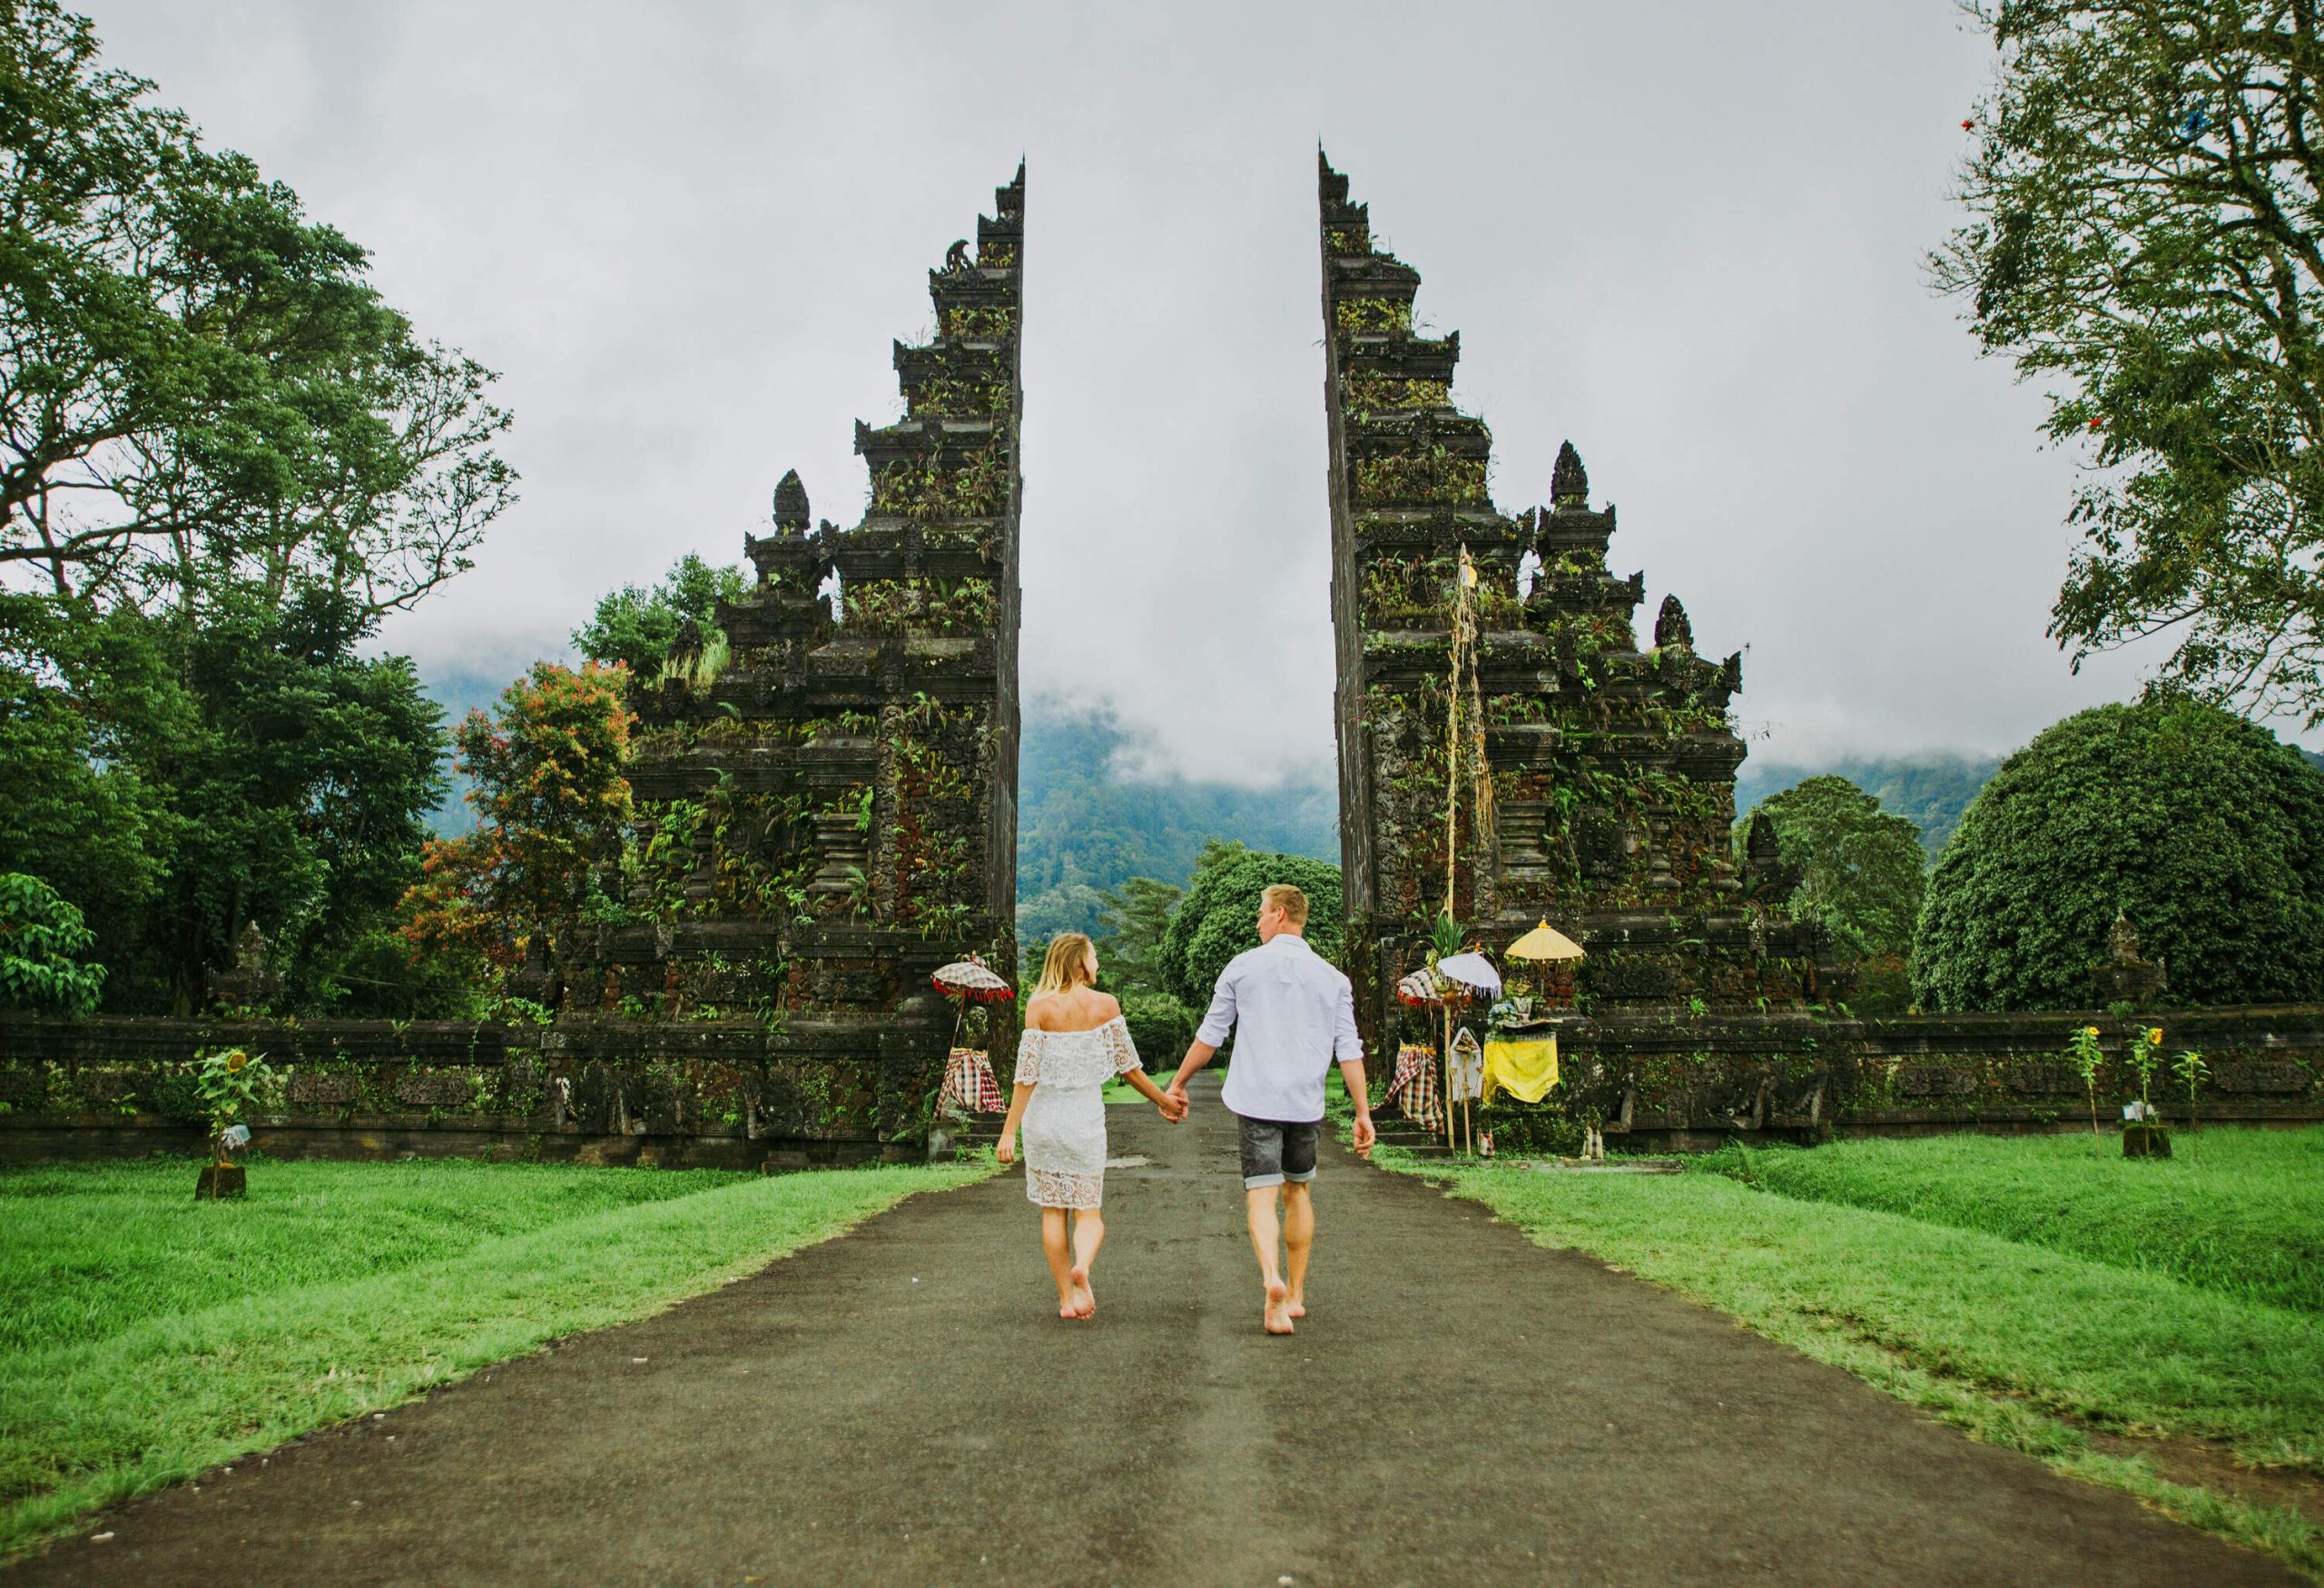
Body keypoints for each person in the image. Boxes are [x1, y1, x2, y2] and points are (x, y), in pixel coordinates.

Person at [1167, 883, 1374, 1335]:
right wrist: (1362, 1112)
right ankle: (1296, 1295)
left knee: (1261, 1194)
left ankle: (1270, 1280)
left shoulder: (1243, 967)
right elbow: (1349, 1050)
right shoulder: (1333, 978)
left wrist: (1178, 1084)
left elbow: (1211, 1035)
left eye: (1262, 913)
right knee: (1297, 1192)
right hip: (1304, 1102)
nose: (1257, 921)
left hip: (1257, 1099)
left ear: (1280, 914)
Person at [997, 932, 1185, 1319]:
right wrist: (1164, 1099)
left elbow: (1026, 1075)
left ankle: (1067, 1299)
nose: (1097, 963)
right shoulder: (1106, 1005)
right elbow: (1129, 1068)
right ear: (1080, 963)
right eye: (1094, 957)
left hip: (1044, 1122)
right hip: (1083, 1122)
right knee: (1088, 1211)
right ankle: (1083, 1263)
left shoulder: (1039, 1007)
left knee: (1053, 1212)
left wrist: (1008, 1132)